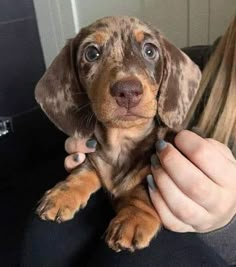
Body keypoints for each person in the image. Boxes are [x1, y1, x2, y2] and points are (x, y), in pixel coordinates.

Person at [21, 16, 236, 267]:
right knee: (46, 235)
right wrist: (83, 177)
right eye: (92, 54)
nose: (128, 86)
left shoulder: (172, 124)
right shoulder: (199, 60)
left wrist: (226, 226)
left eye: (148, 51)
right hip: (101, 166)